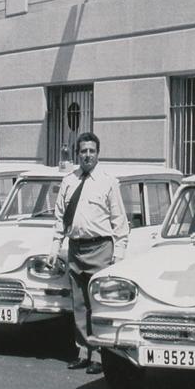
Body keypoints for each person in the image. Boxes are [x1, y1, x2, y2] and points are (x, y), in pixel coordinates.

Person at [48, 132, 129, 375]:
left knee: (100, 305)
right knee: (80, 305)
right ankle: (83, 352)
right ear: (77, 154)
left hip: (101, 248)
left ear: (98, 153)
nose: (87, 155)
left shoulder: (108, 181)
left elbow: (120, 223)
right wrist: (54, 249)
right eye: (83, 151)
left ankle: (100, 356)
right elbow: (59, 219)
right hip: (76, 249)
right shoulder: (68, 181)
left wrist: (119, 257)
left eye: (91, 151)